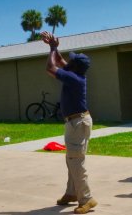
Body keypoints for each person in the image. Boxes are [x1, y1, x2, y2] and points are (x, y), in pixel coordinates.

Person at [40, 31, 97, 214]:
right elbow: (60, 60)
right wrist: (53, 47)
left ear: (74, 66)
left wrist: (53, 50)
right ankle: (72, 193)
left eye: (71, 61)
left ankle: (87, 199)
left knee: (76, 161)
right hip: (77, 122)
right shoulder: (76, 74)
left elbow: (50, 66)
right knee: (72, 159)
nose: (67, 61)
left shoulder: (73, 78)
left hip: (77, 123)